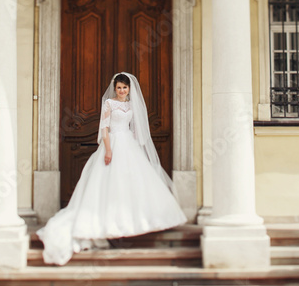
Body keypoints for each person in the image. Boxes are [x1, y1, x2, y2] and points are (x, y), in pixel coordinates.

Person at [37, 72, 187, 265]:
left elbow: (135, 128)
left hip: (129, 144)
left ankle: (136, 221)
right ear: (114, 89)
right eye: (119, 88)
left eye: (125, 88)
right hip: (113, 143)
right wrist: (108, 150)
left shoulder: (132, 105)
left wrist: (135, 144)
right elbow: (104, 128)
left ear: (129, 89)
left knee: (133, 182)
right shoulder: (109, 103)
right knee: (109, 182)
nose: (122, 91)